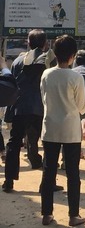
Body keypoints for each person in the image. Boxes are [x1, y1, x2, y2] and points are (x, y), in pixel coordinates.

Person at [39, 35, 85, 227]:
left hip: (50, 127)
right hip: (70, 129)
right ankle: (74, 215)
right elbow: (81, 107)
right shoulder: (75, 76)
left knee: (49, 171)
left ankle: (47, 214)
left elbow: (44, 100)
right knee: (73, 172)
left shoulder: (46, 74)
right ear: (73, 55)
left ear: (55, 54)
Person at [2, 29, 56, 193]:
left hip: (20, 106)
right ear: (46, 43)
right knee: (48, 144)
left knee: (14, 143)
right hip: (42, 107)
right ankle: (47, 183)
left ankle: (9, 181)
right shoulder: (50, 60)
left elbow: (12, 84)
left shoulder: (18, 61)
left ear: (28, 42)